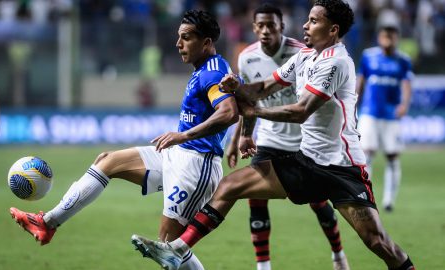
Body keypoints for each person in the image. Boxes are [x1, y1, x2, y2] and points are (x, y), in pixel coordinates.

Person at [131, 1, 416, 270]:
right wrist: (236, 88)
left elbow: (300, 111)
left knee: (377, 242)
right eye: (307, 19)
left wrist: (254, 111)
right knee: (230, 186)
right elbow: (265, 87)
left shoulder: (337, 62)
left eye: (314, 21)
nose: (305, 25)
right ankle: (177, 249)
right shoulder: (305, 56)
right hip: (307, 161)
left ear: (333, 30)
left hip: (342, 167)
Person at [10, 10, 238, 270]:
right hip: (178, 154)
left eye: (186, 38)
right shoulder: (208, 69)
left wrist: (183, 134)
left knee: (169, 247)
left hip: (197, 165)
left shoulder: (212, 72)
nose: (178, 44)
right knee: (108, 161)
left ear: (206, 42)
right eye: (178, 37)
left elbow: (229, 112)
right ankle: (47, 223)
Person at [225, 3, 348, 270]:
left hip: (303, 141)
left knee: (318, 201)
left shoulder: (302, 52)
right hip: (268, 140)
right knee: (254, 196)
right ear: (254, 27)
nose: (266, 30)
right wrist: (240, 138)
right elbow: (249, 102)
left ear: (282, 26)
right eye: (261, 25)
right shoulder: (247, 58)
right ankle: (263, 267)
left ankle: (338, 254)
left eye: (272, 25)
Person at [356, 24, 413, 212]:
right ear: (379, 38)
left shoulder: (403, 60)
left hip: (391, 116)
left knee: (392, 156)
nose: (388, 40)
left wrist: (404, 104)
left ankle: (389, 201)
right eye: (384, 36)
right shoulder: (369, 56)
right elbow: (361, 81)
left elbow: (406, 84)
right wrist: (354, 102)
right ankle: (367, 197)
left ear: (397, 38)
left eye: (391, 36)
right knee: (367, 154)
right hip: (370, 113)